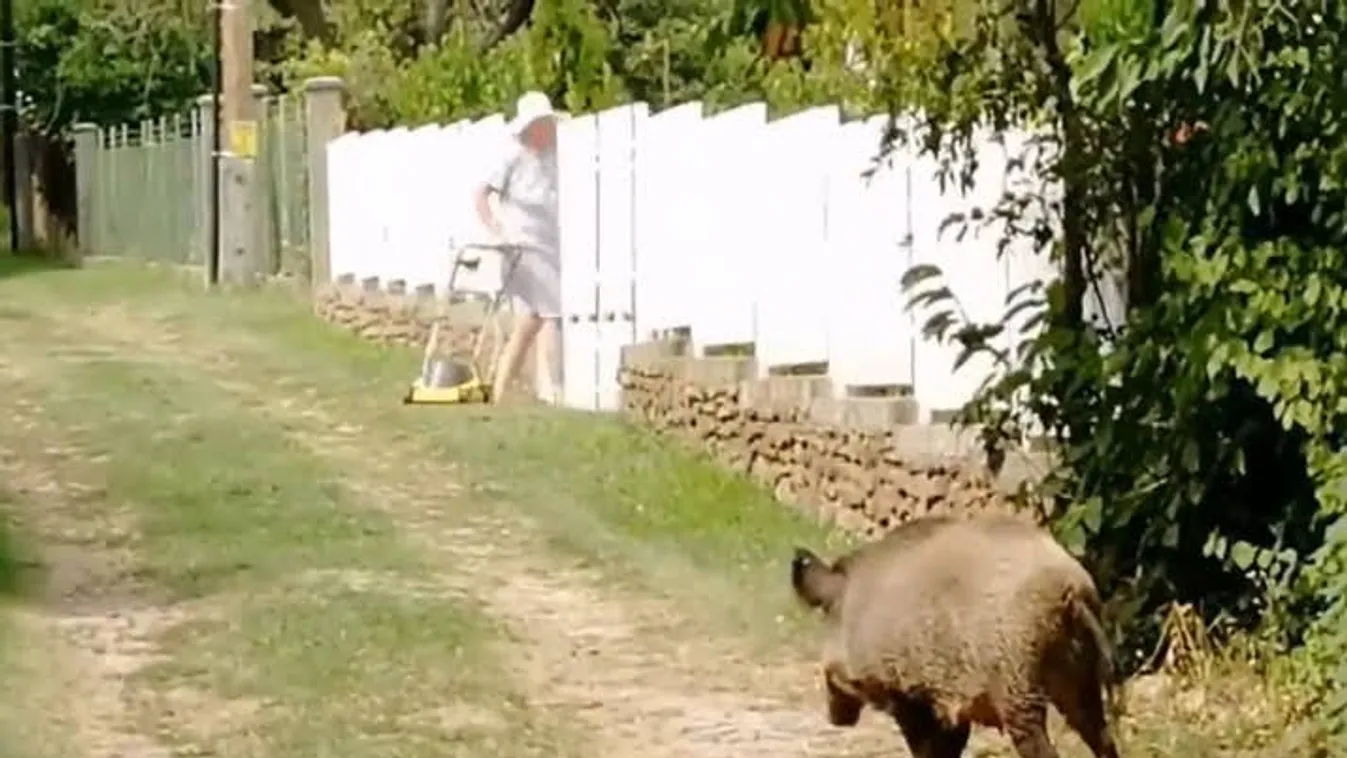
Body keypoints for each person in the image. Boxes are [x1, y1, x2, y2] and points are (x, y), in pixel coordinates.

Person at [475, 91, 564, 406]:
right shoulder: (512, 155)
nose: (547, 131)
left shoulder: (554, 155)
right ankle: (552, 389)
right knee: (550, 313)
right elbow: (481, 194)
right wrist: (496, 229)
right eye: (541, 124)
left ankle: (502, 390)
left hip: (549, 243)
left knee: (530, 321)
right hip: (521, 245)